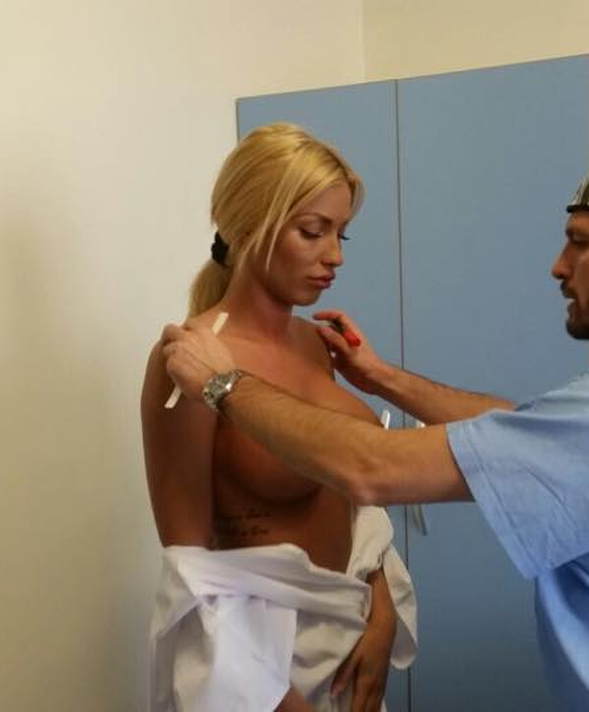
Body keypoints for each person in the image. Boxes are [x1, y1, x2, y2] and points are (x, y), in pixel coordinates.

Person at [160, 141, 589, 710]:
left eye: (580, 243)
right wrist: (382, 378)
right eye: (314, 230)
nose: (558, 265)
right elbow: (530, 432)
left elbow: (369, 469)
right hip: (263, 670)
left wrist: (222, 384)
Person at [141, 122, 417, 712]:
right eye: (313, 231)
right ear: (247, 227)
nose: (335, 256)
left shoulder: (317, 344)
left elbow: (346, 492)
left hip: (349, 643)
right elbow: (192, 575)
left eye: (341, 233)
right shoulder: (191, 362)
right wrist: (279, 699)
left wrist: (381, 611)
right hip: (258, 673)